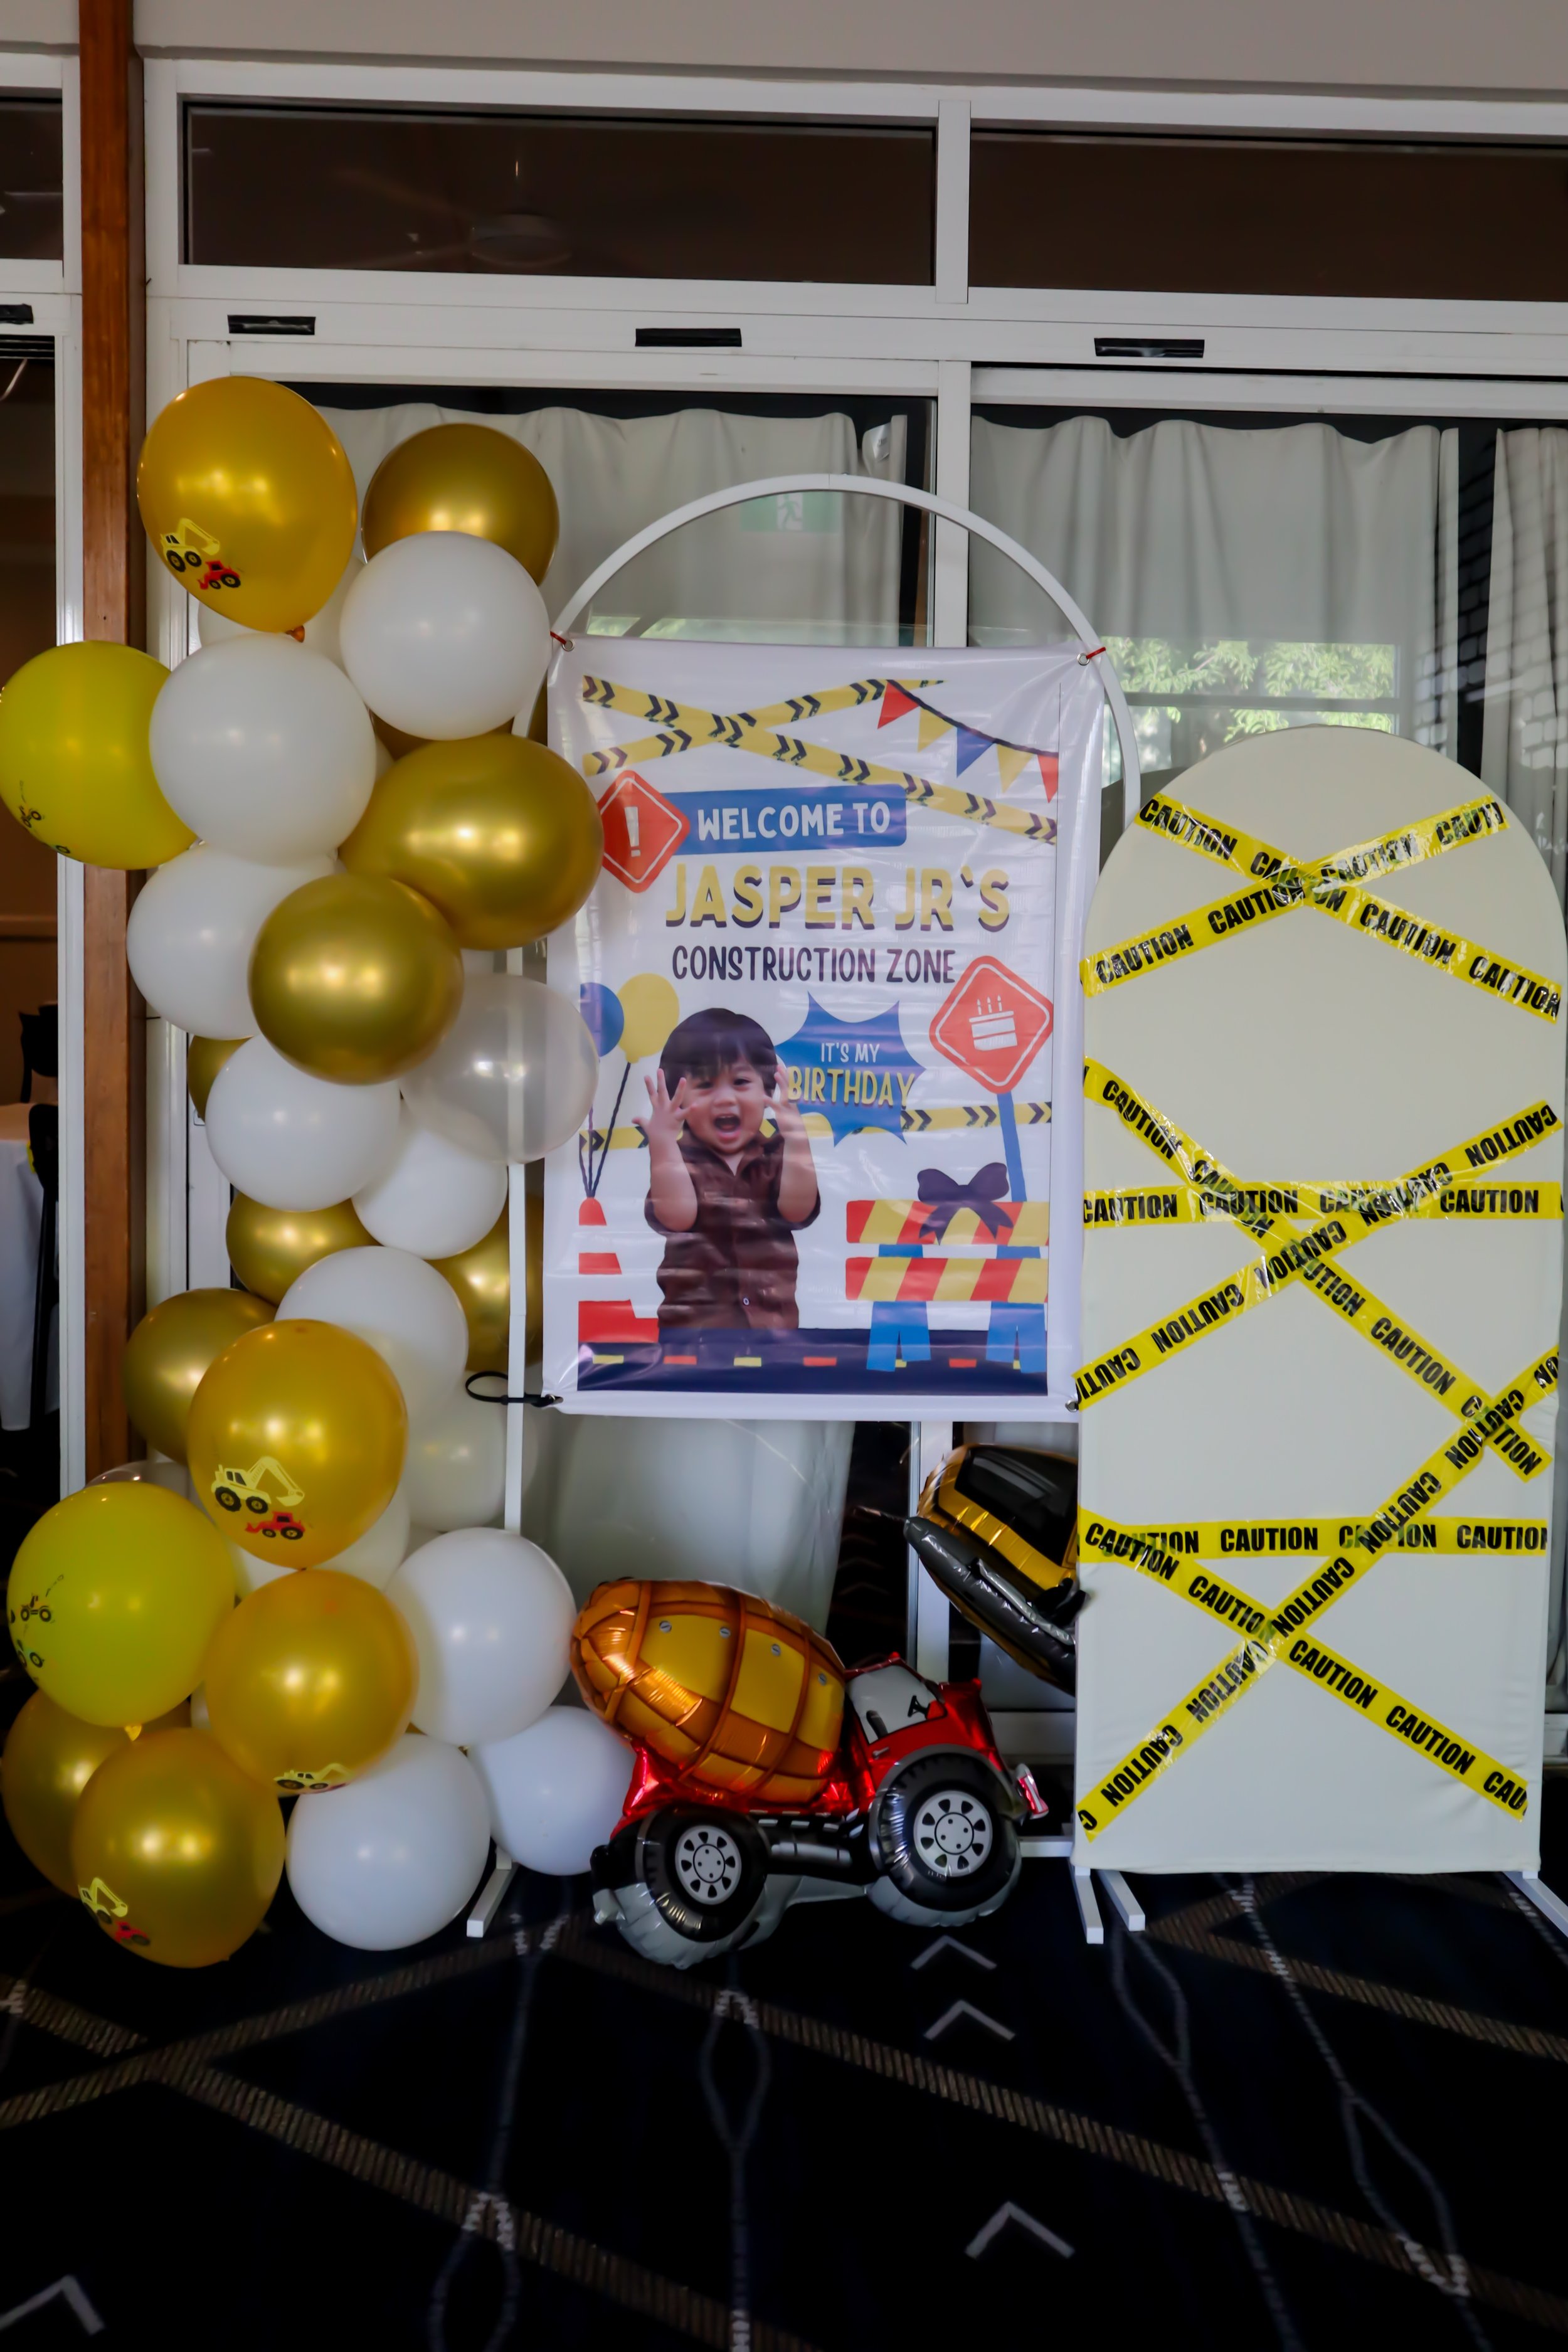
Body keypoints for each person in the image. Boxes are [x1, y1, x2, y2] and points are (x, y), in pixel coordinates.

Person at [640, 1007, 820, 1332]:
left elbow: (797, 1211)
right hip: (694, 1334)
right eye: (706, 1085)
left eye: (740, 1082)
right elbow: (677, 1218)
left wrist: (797, 1139)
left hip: (773, 1330)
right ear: (678, 1100)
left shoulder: (776, 1153)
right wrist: (663, 1144)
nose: (725, 1099)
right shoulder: (680, 1162)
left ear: (767, 1091)